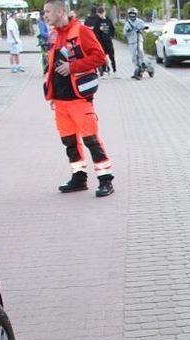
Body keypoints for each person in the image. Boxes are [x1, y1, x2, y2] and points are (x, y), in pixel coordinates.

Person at [43, 0, 113, 197]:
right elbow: (51, 69)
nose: (45, 15)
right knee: (69, 142)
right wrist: (52, 95)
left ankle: (105, 179)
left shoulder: (81, 31)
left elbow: (99, 57)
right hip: (61, 101)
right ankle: (79, 177)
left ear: (61, 11)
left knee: (91, 139)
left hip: (79, 99)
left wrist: (72, 67)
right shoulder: (54, 35)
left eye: (48, 11)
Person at [85, 6, 115, 77]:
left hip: (94, 39)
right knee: (104, 55)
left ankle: (103, 69)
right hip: (99, 39)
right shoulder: (97, 19)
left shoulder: (89, 19)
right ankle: (106, 69)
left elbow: (87, 28)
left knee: (100, 55)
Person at [123, 7, 148, 80]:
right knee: (133, 56)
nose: (132, 16)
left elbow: (144, 26)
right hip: (131, 42)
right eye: (131, 14)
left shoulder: (139, 21)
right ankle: (136, 69)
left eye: (133, 14)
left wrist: (144, 28)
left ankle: (143, 63)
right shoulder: (127, 23)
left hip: (139, 40)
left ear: (136, 14)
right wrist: (127, 31)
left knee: (140, 50)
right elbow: (124, 32)